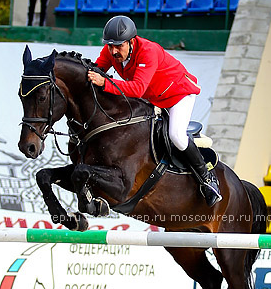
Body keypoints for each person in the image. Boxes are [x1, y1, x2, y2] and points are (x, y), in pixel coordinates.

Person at [87, 15, 222, 207]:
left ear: (131, 41)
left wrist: (105, 82)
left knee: (176, 135)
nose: (114, 51)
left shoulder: (148, 51)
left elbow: (137, 88)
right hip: (153, 98)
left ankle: (207, 179)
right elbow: (96, 70)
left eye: (119, 46)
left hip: (178, 95)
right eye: (110, 46)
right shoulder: (111, 50)